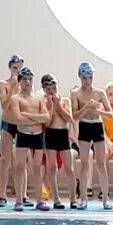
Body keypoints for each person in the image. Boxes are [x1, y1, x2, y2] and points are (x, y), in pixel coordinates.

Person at [6, 67, 50, 212]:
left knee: (37, 169)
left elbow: (46, 118)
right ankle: (18, 201)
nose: (28, 82)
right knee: (19, 168)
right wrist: (36, 119)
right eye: (25, 79)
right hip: (23, 136)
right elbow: (18, 119)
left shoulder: (39, 99)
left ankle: (39, 201)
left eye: (30, 79)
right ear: (19, 81)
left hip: (37, 136)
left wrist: (28, 116)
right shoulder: (15, 99)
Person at [71, 62, 113, 210]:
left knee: (101, 164)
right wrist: (86, 108)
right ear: (80, 77)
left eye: (90, 78)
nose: (87, 81)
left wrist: (98, 110)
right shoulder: (75, 94)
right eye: (84, 78)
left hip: (97, 126)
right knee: (84, 164)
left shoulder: (100, 93)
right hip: (84, 126)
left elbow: (110, 115)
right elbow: (74, 116)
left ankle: (106, 198)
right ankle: (83, 198)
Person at [0, 54, 24, 207]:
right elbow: (4, 105)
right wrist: (12, 89)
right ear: (10, 68)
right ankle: (2, 195)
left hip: (21, 124)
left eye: (19, 68)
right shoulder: (3, 84)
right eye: (14, 68)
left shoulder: (26, 83)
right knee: (5, 160)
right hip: (8, 123)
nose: (17, 71)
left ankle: (22, 195)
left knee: (22, 161)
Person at [40, 73, 74, 210]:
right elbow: (47, 122)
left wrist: (57, 104)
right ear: (43, 88)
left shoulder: (65, 100)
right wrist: (51, 105)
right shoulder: (42, 102)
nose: (51, 89)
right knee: (51, 167)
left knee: (68, 167)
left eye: (53, 86)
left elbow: (68, 118)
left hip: (63, 134)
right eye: (47, 87)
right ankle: (56, 198)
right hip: (50, 134)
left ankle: (73, 198)